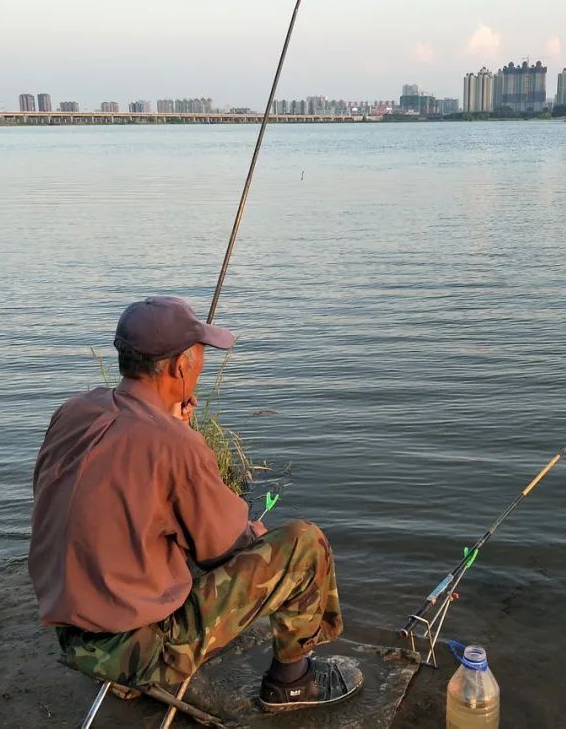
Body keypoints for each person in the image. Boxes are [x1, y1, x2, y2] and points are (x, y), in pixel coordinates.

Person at [27, 296, 363, 712]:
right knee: (303, 545)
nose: (201, 366)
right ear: (178, 366)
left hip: (70, 631)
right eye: (199, 355)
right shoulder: (175, 446)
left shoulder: (74, 411)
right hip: (138, 647)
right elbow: (225, 553)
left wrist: (172, 426)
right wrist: (253, 535)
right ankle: (291, 683)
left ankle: (126, 669)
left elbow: (117, 481)